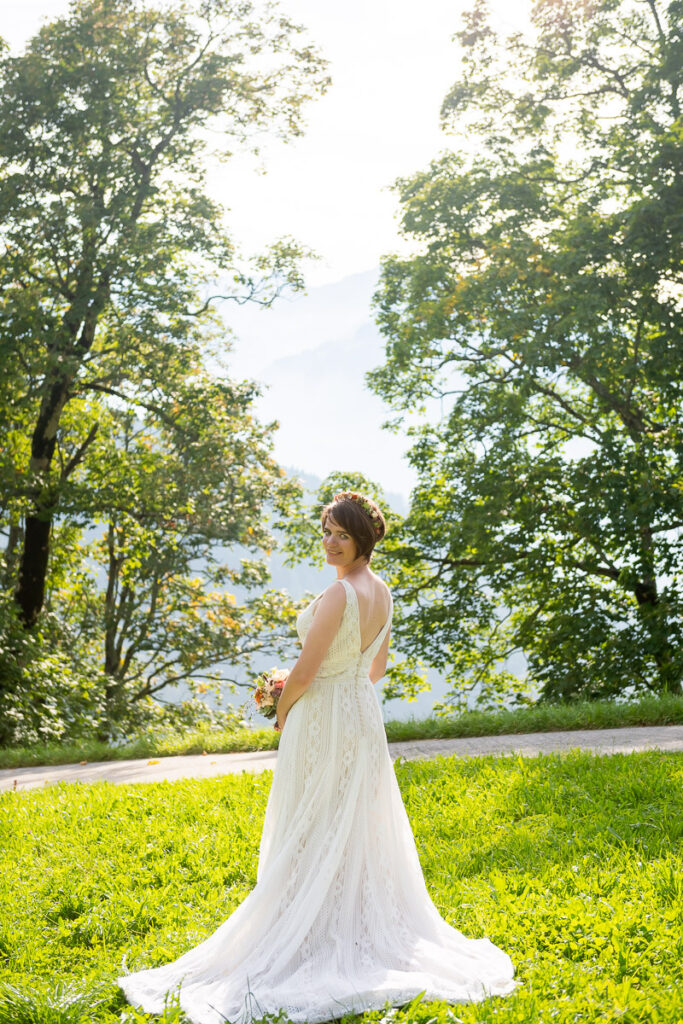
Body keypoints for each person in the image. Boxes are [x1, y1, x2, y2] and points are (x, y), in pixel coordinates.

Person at [118, 491, 517, 1023]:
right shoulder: (382, 591)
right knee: (350, 818)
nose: (330, 543)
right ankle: (347, 916)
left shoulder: (338, 596)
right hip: (360, 713)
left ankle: (311, 925)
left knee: (313, 815)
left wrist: (282, 707)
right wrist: (324, 681)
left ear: (363, 540)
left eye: (341, 535)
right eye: (327, 532)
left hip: (324, 717)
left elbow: (307, 673)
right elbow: (373, 670)